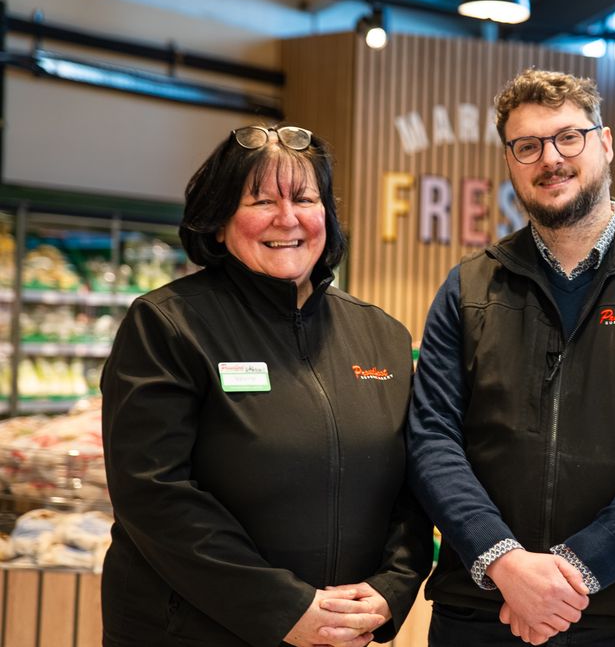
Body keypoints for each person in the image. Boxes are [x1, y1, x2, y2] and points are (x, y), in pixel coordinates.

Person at [407, 69, 615, 646]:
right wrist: (505, 561)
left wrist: (575, 572)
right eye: (527, 146)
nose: (550, 159)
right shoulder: (468, 289)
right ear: (510, 162)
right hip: (483, 611)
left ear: (604, 144)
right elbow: (431, 439)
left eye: (568, 137)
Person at [101, 125, 432, 647]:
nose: (288, 218)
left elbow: (415, 481)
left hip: (341, 634)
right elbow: (153, 494)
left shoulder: (382, 337)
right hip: (189, 631)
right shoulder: (167, 325)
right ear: (217, 223)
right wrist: (285, 609)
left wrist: (391, 587)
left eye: (305, 198)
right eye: (261, 200)